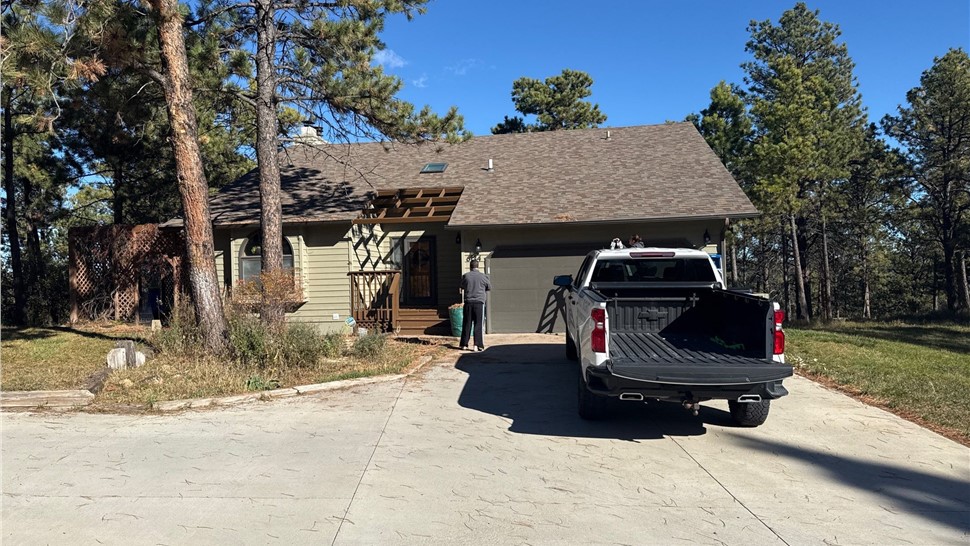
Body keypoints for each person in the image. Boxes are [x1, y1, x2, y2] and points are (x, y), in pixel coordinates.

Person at [459, 259, 490, 351]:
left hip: (468, 302)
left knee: (467, 323)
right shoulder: (483, 276)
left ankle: (464, 344)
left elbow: (462, 286)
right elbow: (489, 287)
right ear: (478, 266)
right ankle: (477, 345)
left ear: (470, 266)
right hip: (479, 303)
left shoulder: (466, 276)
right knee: (478, 324)